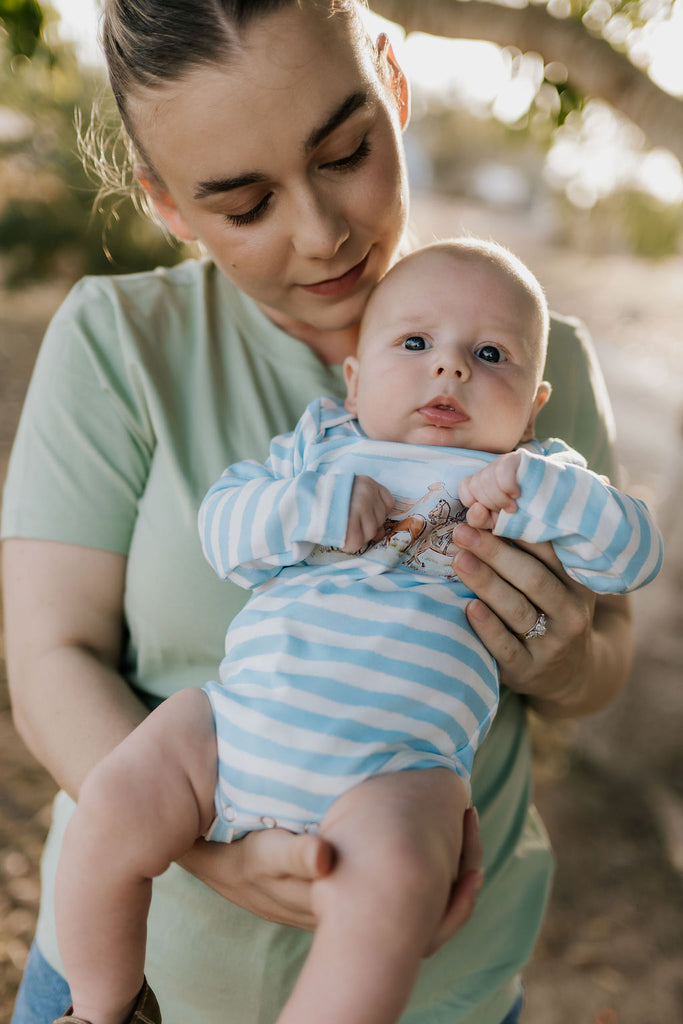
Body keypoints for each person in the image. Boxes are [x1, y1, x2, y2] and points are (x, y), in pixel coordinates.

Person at [0, 2, 636, 1023]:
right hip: (149, 974)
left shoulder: (530, 360)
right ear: (167, 205)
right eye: (244, 205)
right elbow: (47, 661)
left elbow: (603, 655)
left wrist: (562, 655)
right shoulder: (123, 342)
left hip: (441, 993)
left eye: (344, 152)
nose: (320, 232)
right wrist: (216, 855)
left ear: (392, 77)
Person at [49, 239, 663, 1024]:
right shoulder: (318, 450)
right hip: (230, 731)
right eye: (415, 344)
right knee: (114, 804)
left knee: (397, 884)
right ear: (354, 379)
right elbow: (223, 531)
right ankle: (100, 1009)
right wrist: (308, 505)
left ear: (534, 404)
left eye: (489, 353)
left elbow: (632, 555)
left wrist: (544, 486)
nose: (450, 369)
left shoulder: (538, 477)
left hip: (395, 770)